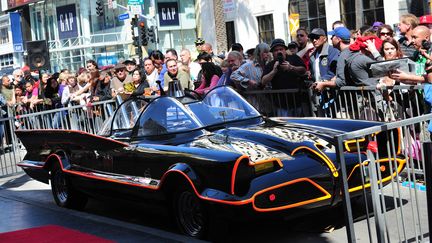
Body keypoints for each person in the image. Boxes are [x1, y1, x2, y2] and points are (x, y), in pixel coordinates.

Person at [261, 38, 307, 116]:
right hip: (281, 105)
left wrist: (291, 67)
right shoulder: (270, 65)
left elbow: (303, 70)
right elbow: (263, 81)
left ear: (285, 50)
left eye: (281, 49)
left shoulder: (294, 58)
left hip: (297, 101)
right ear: (272, 53)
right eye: (276, 50)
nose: (279, 51)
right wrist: (273, 71)